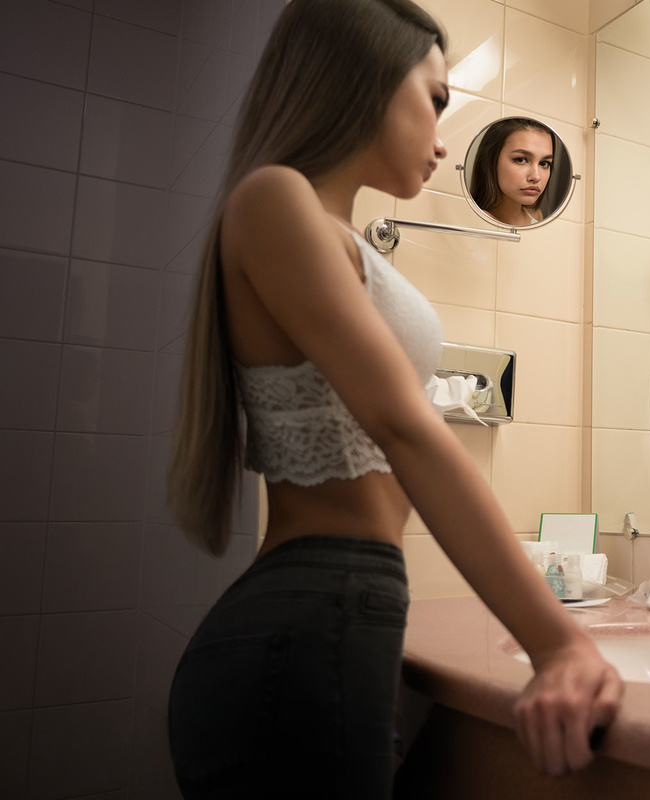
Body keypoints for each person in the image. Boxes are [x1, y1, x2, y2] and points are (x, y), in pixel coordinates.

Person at [164, 1, 622, 796]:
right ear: (364, 80)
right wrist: (559, 645)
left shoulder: (334, 232)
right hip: (307, 616)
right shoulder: (275, 199)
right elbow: (407, 431)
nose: (445, 136)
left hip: (343, 607)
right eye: (436, 98)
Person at [469, 117, 556, 226]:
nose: (536, 176)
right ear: (491, 161)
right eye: (521, 160)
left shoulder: (536, 215)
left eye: (544, 163)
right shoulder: (474, 221)